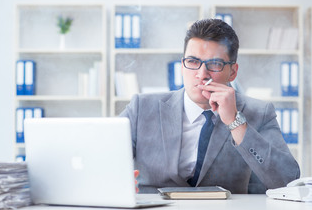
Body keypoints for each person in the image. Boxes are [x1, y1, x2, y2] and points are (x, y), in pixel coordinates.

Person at [120, 18, 300, 194]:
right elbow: (99, 158)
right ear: (182, 65)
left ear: (233, 72)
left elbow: (287, 180)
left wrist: (235, 122)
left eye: (214, 64)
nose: (201, 74)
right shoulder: (142, 108)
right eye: (192, 62)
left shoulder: (258, 113)